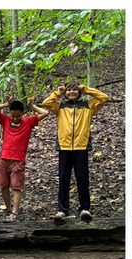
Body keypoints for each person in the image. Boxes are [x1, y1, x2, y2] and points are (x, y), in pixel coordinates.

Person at [42, 81, 109, 222]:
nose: (71, 92)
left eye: (74, 90)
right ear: (65, 93)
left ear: (78, 92)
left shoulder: (88, 106)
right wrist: (58, 92)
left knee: (82, 178)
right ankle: (62, 210)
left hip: (81, 146)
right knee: (63, 179)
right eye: (68, 90)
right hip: (64, 147)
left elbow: (104, 98)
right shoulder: (60, 107)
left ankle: (85, 208)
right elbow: (46, 103)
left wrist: (86, 89)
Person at [0, 96, 48, 221]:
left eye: (18, 116)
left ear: (23, 114)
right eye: (13, 115)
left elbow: (45, 112)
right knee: (3, 185)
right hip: (3, 158)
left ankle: (15, 213)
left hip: (18, 160)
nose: (15, 118)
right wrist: (7, 104)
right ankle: (8, 209)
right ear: (9, 114)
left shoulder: (28, 122)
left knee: (16, 186)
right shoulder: (5, 120)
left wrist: (32, 106)